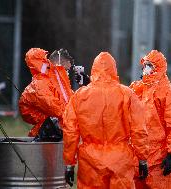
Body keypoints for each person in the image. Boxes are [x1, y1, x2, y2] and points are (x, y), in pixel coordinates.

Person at [63, 52, 149, 188]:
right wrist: (143, 159)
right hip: (120, 160)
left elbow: (70, 132)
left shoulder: (79, 96)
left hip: (90, 161)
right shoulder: (127, 94)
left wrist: (69, 164)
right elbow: (139, 129)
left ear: (93, 69)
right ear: (114, 69)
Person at [130, 50, 171, 189]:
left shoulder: (170, 93)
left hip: (158, 159)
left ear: (159, 67)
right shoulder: (138, 89)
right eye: (144, 65)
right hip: (137, 156)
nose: (146, 68)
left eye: (149, 65)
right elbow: (116, 97)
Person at [19, 48, 73, 141]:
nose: (47, 61)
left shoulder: (50, 80)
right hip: (50, 132)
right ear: (39, 62)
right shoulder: (39, 84)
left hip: (57, 128)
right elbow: (54, 107)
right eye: (44, 59)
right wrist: (75, 114)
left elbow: (67, 98)